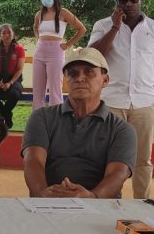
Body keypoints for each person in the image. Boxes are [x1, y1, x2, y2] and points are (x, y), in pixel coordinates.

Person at [22, 48, 135, 199]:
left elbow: (118, 173)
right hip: (47, 205)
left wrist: (92, 197)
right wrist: (43, 194)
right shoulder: (42, 117)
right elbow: (33, 160)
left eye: (89, 72)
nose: (80, 78)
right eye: (73, 73)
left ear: (105, 80)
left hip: (99, 208)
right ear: (65, 80)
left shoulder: (121, 129)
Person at [89, 0, 154, 199]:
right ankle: (107, 204)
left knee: (142, 160)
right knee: (106, 158)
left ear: (140, 0)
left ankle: (141, 204)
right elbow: (94, 57)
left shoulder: (153, 29)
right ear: (116, 3)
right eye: (123, 0)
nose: (128, 4)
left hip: (145, 103)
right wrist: (115, 27)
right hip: (112, 103)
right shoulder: (103, 25)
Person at [32, 0, 86, 110]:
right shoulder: (39, 14)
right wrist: (38, 38)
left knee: (55, 89)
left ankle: (57, 121)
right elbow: (35, 27)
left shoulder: (63, 12)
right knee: (38, 89)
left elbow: (81, 29)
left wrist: (67, 44)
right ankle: (37, 121)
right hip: (40, 51)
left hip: (56, 51)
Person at [0, 24, 25, 129]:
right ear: (0, 35)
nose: (6, 35)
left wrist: (10, 83)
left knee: (14, 94)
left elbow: (19, 69)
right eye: (3, 32)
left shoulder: (19, 49)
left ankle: (3, 114)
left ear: (13, 34)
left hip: (14, 80)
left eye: (9, 32)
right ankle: (7, 114)